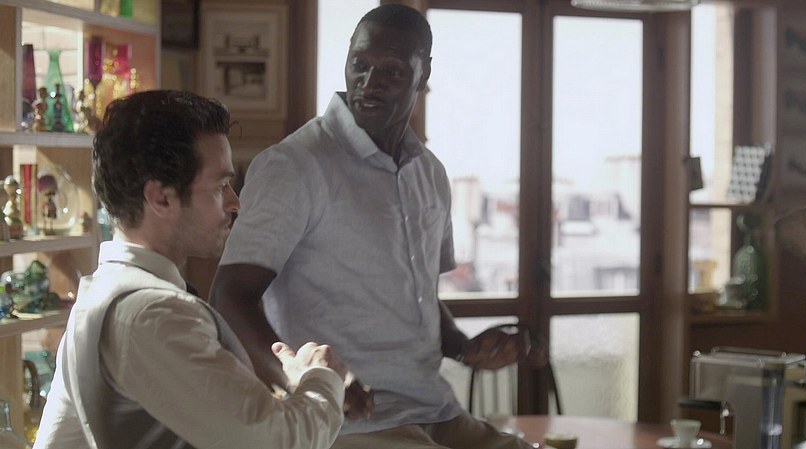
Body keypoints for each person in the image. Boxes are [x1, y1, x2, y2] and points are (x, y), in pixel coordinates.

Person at [210, 4, 541, 449]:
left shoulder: (429, 173)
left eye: (392, 71)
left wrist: (465, 347)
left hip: (435, 408)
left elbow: (416, 294)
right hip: (347, 422)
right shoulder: (294, 166)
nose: (369, 82)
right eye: (360, 64)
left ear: (424, 75)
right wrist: (302, 378)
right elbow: (229, 295)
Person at [34, 90, 347, 449]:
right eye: (220, 186)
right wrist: (321, 379)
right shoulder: (153, 315)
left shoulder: (100, 294)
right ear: (161, 198)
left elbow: (59, 440)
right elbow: (277, 442)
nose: (236, 203)